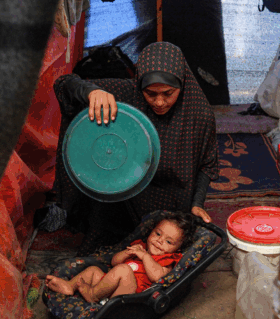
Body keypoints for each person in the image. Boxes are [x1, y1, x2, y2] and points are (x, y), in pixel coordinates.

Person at [49, 42, 218, 255]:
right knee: (102, 254)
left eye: (168, 93)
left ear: (182, 85)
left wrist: (197, 203)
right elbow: (63, 84)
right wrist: (91, 92)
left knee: (168, 256)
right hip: (124, 195)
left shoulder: (199, 115)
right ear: (140, 85)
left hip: (170, 203)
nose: (159, 102)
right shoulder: (128, 95)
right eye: (150, 93)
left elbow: (207, 164)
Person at [45, 211, 196, 302]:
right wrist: (127, 253)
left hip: (131, 295)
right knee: (93, 270)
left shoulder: (168, 260)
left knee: (124, 270)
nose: (159, 241)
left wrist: (145, 257)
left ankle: (93, 296)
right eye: (157, 233)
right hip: (109, 285)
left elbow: (157, 277)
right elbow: (114, 262)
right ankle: (69, 286)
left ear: (177, 249)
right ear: (151, 231)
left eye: (168, 241)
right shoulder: (140, 246)